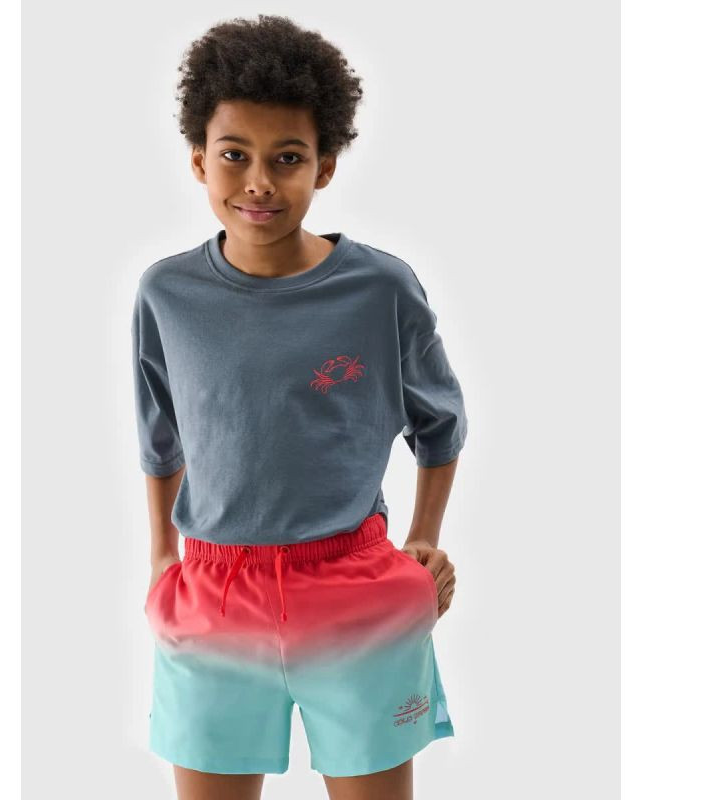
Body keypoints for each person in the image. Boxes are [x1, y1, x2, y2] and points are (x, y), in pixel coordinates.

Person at [131, 14, 468, 800]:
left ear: (324, 167)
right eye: (234, 155)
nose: (259, 181)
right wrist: (160, 557)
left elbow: (440, 423)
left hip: (357, 593)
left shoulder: (381, 288)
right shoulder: (166, 294)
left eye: (287, 158)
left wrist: (423, 538)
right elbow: (160, 435)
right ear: (198, 159)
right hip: (212, 598)